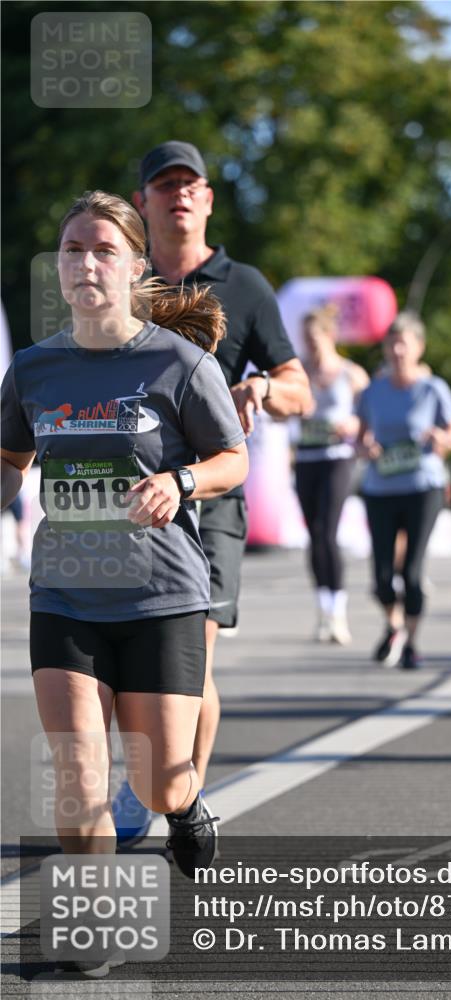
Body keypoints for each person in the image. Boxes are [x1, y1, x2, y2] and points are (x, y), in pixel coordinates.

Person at [0, 190, 248, 920]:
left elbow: (232, 459)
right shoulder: (34, 369)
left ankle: (184, 803)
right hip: (65, 596)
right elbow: (11, 459)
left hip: (161, 599)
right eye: (73, 249)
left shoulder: (178, 362)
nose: (85, 263)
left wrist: (181, 481)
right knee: (78, 777)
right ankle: (95, 920)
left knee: (161, 783)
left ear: (136, 266)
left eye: (103, 250)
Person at [111, 141, 311, 841]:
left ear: (208, 198)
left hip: (210, 494)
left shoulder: (245, 285)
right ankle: (161, 781)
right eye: (163, 185)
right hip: (130, 498)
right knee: (127, 658)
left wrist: (260, 387)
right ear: (142, 203)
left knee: (189, 650)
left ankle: (176, 802)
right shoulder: (123, 282)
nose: (178, 195)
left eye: (189, 184)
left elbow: (299, 387)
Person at [356, 312, 451, 669]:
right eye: (392, 343)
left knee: (413, 572)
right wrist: (366, 447)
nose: (398, 350)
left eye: (405, 343)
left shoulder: (433, 389)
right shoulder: (373, 390)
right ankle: (393, 625)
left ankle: (412, 642)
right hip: (380, 487)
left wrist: (444, 439)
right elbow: (360, 436)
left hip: (423, 486)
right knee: (382, 576)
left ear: (419, 347)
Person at [294, 305, 369, 643]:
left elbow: (371, 416)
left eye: (315, 339)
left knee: (327, 529)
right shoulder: (298, 373)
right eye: (306, 340)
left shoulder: (351, 374)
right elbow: (281, 416)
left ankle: (338, 612)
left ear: (330, 336)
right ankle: (322, 609)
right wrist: (297, 409)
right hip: (307, 457)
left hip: (339, 457)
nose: (310, 346)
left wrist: (352, 424)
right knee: (314, 535)